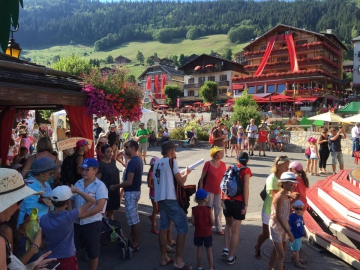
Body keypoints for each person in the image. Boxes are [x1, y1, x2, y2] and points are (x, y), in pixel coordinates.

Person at [0, 168, 57, 270]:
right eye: (19, 201)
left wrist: (29, 267)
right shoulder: (3, 235)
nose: (19, 207)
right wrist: (35, 245)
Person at [153, 141, 192, 269]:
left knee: (163, 228)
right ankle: (178, 261)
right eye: (174, 150)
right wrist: (186, 174)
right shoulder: (172, 162)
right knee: (183, 227)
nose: (175, 152)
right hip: (170, 198)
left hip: (160, 198)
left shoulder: (157, 163)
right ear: (170, 152)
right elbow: (181, 182)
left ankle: (164, 257)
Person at [40, 185, 96, 270]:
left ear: (52, 201)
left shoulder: (43, 218)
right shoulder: (69, 216)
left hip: (49, 258)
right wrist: (77, 191)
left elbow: (41, 242)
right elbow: (91, 200)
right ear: (68, 202)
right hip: (67, 258)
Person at [69, 158, 108, 270]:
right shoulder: (78, 183)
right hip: (76, 223)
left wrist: (82, 215)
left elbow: (99, 206)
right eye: (82, 169)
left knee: (93, 251)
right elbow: (71, 199)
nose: (84, 172)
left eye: (87, 170)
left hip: (92, 223)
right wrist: (71, 209)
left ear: (95, 170)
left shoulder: (100, 186)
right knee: (73, 249)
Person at [255, 156, 293, 260]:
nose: (287, 168)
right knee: (266, 234)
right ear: (278, 166)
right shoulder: (272, 178)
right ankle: (257, 247)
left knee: (280, 240)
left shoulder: (284, 177)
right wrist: (290, 196)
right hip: (269, 211)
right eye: (285, 166)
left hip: (281, 211)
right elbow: (275, 195)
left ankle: (279, 263)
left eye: (288, 166)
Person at [109, 140, 142, 252]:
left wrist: (115, 186)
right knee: (134, 218)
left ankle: (136, 243)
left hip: (131, 192)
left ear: (132, 148)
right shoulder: (137, 160)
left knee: (134, 219)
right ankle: (133, 238)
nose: (124, 149)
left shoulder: (133, 162)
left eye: (126, 147)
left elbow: (129, 182)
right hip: (134, 192)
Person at [221, 152, 251, 265]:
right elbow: (245, 189)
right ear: (246, 161)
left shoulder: (230, 168)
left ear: (237, 159)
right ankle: (230, 257)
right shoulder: (246, 171)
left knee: (228, 226)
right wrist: (246, 205)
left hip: (227, 201)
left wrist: (222, 199)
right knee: (235, 231)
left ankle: (225, 249)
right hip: (238, 203)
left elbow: (224, 183)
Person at [18, 157, 60, 226]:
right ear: (41, 173)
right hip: (31, 227)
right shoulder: (30, 186)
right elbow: (32, 210)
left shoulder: (46, 184)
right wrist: (47, 202)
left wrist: (49, 202)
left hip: (44, 223)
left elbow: (52, 203)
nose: (52, 175)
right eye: (50, 173)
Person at [268, 172, 297, 270]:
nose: (293, 186)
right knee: (281, 255)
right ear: (283, 183)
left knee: (276, 251)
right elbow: (278, 216)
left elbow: (286, 209)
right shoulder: (279, 196)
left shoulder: (287, 195)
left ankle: (269, 268)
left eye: (294, 184)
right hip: (276, 226)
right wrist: (288, 232)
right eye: (291, 183)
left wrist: (294, 200)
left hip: (283, 225)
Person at [198, 146, 226, 234]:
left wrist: (225, 192)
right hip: (208, 190)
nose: (221, 154)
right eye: (219, 153)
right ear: (214, 154)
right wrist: (201, 191)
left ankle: (219, 228)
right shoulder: (208, 164)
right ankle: (206, 226)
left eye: (221, 153)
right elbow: (202, 178)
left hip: (219, 190)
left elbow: (224, 179)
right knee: (208, 208)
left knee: (218, 209)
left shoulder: (223, 164)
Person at [191, 189, 215, 270]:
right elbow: (212, 221)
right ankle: (211, 267)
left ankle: (199, 266)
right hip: (207, 232)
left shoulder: (194, 209)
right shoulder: (208, 209)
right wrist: (210, 225)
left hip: (198, 232)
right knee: (209, 250)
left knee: (199, 249)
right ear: (206, 198)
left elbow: (193, 222)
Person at [96, 144, 120, 221]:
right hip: (106, 192)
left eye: (111, 151)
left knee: (112, 211)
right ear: (103, 154)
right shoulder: (101, 165)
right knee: (104, 211)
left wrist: (115, 149)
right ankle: (107, 227)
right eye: (108, 152)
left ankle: (111, 227)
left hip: (115, 191)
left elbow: (115, 154)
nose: (110, 153)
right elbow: (98, 180)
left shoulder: (113, 161)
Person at [288, 200, 306, 269]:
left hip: (298, 235)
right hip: (294, 235)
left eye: (300, 209)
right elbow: (288, 224)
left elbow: (302, 224)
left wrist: (304, 231)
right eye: (297, 208)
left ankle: (295, 258)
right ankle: (296, 262)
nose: (299, 210)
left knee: (297, 247)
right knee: (296, 249)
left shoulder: (300, 216)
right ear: (293, 208)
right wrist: (289, 234)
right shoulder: (292, 216)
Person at [147, 157, 160, 234]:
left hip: (158, 194)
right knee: (155, 209)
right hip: (153, 194)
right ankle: (153, 227)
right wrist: (155, 187)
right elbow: (149, 184)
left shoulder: (158, 172)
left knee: (159, 209)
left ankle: (152, 217)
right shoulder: (151, 173)